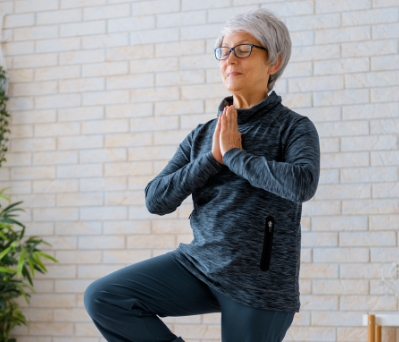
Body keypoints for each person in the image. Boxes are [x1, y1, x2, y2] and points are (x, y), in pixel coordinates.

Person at [84, 7, 321, 342]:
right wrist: (212, 158)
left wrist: (235, 156)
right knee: (106, 297)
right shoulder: (203, 135)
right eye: (224, 51)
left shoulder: (293, 128)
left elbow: (302, 183)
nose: (230, 60)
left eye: (243, 50)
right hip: (199, 265)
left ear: (274, 62)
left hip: (259, 282)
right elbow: (156, 199)